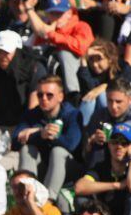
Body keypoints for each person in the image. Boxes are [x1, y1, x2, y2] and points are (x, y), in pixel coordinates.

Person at [13, 76, 83, 204]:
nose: (44, 99)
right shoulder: (32, 114)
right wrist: (40, 133)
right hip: (44, 167)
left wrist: (50, 135)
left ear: (60, 97)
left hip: (70, 169)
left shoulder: (72, 114)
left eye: (49, 95)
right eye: (40, 95)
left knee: (58, 151)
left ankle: (47, 202)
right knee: (27, 149)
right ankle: (27, 195)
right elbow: (15, 141)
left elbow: (72, 145)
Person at [75, 122, 131, 215]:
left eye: (124, 143)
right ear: (109, 144)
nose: (119, 146)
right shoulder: (102, 166)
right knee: (81, 199)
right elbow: (79, 187)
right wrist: (117, 185)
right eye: (115, 141)